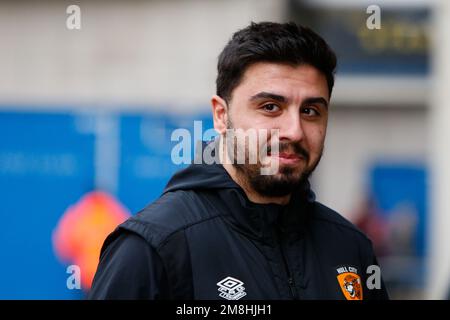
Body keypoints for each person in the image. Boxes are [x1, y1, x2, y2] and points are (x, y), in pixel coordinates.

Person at [88, 22, 389, 300]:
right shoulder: (154, 248)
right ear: (221, 115)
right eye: (271, 107)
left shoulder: (351, 249)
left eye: (310, 111)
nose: (294, 131)